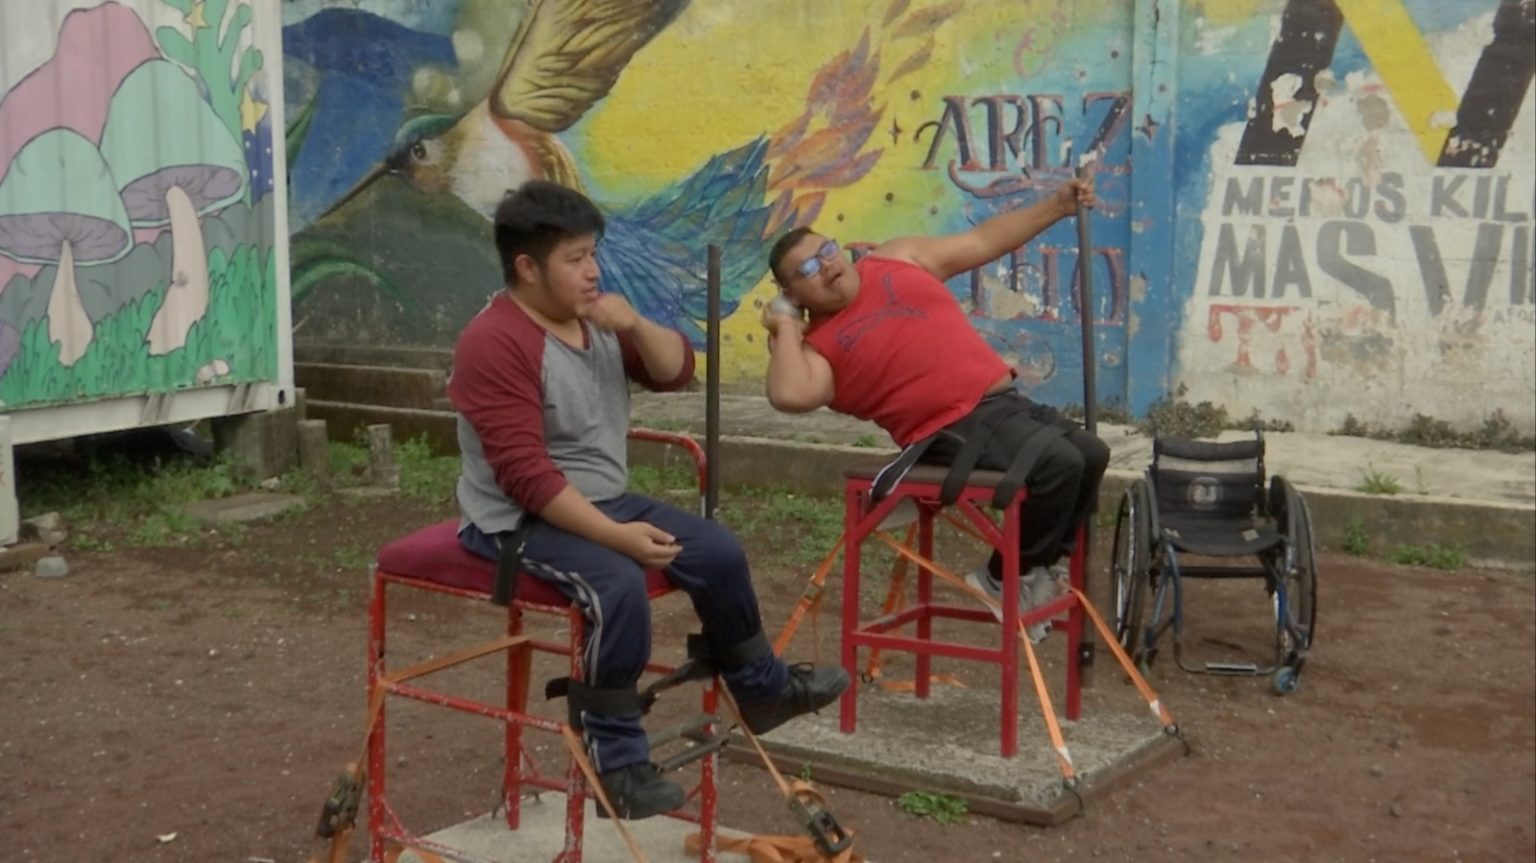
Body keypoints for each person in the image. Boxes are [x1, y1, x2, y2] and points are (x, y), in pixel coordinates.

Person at [449, 180, 848, 820]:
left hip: (599, 498)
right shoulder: (495, 341)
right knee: (616, 585)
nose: (593, 270)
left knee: (716, 551)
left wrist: (633, 321)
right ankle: (617, 766)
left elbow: (675, 371)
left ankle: (763, 690)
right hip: (515, 520)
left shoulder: (595, 316)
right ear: (527, 267)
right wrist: (617, 538)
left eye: (593, 254)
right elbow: (527, 478)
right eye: (575, 258)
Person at [760, 178, 1110, 643]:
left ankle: (1034, 568)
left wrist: (1057, 206)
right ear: (791, 293)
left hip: (1003, 406)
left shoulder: (895, 258)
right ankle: (1001, 577)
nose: (825, 266)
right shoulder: (818, 348)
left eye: (826, 251)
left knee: (1092, 453)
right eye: (807, 269)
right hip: (948, 429)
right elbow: (789, 394)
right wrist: (785, 325)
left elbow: (982, 240)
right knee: (1059, 464)